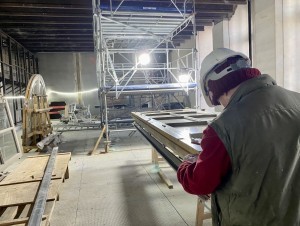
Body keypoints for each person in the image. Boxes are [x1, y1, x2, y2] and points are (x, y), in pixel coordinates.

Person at [177, 48, 300, 226]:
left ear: (216, 89)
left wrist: (186, 165)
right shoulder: (297, 101)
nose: (224, 107)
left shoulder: (224, 126)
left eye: (219, 101)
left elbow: (200, 183)